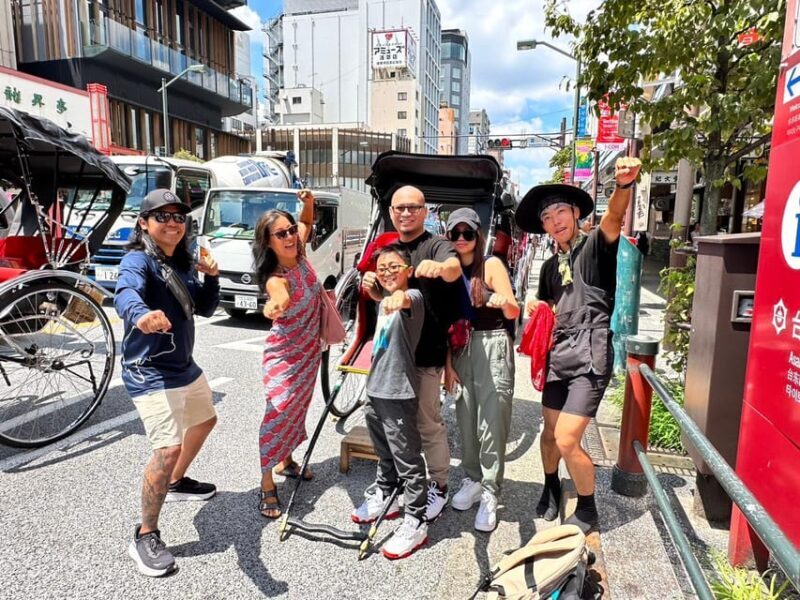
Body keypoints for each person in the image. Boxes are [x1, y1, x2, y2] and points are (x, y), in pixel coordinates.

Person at [518, 157, 642, 534]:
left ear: (575, 212)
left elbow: (613, 221)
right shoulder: (549, 266)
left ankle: (588, 510)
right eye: (547, 217)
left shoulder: (594, 248)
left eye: (560, 211)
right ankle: (551, 483)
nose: (555, 220)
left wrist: (622, 187)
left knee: (568, 438)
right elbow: (547, 304)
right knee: (549, 432)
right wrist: (535, 305)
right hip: (559, 354)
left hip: (591, 355)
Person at [115, 189, 221, 577]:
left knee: (206, 421)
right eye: (162, 216)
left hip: (183, 366)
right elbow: (125, 292)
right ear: (144, 223)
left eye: (179, 216)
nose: (173, 222)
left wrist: (211, 278)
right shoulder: (138, 260)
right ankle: (145, 535)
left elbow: (205, 307)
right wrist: (140, 315)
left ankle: (175, 483)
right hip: (148, 369)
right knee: (166, 449)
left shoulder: (182, 262)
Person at [362, 185, 462, 521]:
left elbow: (454, 267)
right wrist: (373, 285)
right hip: (391, 355)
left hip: (426, 353)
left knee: (426, 424)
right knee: (391, 427)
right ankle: (394, 484)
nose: (406, 213)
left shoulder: (434, 244)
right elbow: (381, 287)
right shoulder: (387, 246)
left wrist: (439, 268)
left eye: (413, 207)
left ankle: (439, 485)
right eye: (399, 208)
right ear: (391, 211)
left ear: (425, 211)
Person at [443, 208, 520, 532]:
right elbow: (443, 322)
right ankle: (473, 479)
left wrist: (497, 298)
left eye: (468, 233)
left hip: (491, 344)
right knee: (466, 418)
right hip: (459, 348)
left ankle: (491, 491)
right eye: (455, 233)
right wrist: (447, 366)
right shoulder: (448, 270)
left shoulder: (490, 264)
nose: (462, 239)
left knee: (492, 422)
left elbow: (513, 308)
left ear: (478, 235)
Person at [352, 244, 429, 559]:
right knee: (384, 454)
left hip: (398, 393)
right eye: (382, 267)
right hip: (375, 390)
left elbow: (405, 299)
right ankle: (386, 495)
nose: (387, 272)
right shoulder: (383, 301)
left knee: (408, 461)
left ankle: (417, 520)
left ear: (408, 270)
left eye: (394, 266)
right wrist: (376, 291)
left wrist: (398, 296)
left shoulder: (414, 299)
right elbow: (383, 298)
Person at [253, 189, 320, 520]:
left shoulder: (301, 248)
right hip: (283, 356)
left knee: (298, 409)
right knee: (277, 413)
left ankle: (287, 459)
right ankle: (267, 484)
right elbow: (277, 299)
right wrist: (274, 306)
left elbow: (306, 221)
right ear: (268, 243)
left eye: (291, 230)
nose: (291, 236)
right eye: (281, 234)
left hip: (309, 353)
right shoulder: (275, 278)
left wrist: (306, 203)